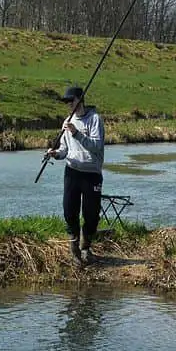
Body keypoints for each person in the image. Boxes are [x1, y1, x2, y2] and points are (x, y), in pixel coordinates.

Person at [47, 85, 104, 264]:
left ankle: (86, 248)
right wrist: (55, 154)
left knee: (91, 214)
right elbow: (65, 150)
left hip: (91, 174)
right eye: (66, 102)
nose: (68, 105)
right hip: (71, 172)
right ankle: (74, 251)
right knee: (69, 211)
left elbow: (96, 146)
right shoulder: (66, 121)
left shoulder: (95, 119)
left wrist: (76, 133)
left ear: (80, 99)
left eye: (70, 101)